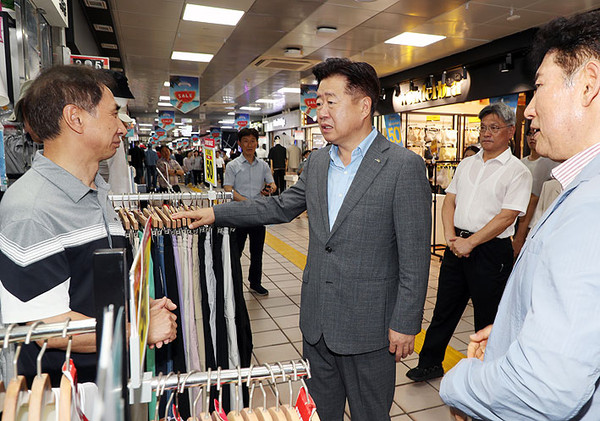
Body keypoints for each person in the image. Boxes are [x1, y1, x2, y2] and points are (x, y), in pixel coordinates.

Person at [171, 57, 431, 421]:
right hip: (316, 322)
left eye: (330, 101)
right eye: (317, 102)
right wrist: (217, 213)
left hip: (369, 327)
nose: (320, 111)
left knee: (370, 414)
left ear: (363, 105)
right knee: (320, 413)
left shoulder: (403, 167)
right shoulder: (319, 162)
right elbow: (278, 207)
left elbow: (415, 257)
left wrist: (405, 322)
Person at [440, 10, 600, 420]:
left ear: (589, 84)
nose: (528, 111)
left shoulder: (590, 207)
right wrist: (516, 334)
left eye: (540, 87)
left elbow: (544, 387)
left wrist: (459, 385)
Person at [0, 65, 177, 386]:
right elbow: (44, 327)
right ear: (76, 118)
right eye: (113, 114)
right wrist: (138, 327)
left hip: (107, 381)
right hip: (66, 393)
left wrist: (134, 305)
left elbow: (86, 288)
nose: (123, 127)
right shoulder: (31, 207)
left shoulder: (96, 192)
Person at [406, 102, 532, 383]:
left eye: (494, 128)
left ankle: (486, 372)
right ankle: (429, 363)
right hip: (457, 246)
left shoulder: (518, 171)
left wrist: (471, 243)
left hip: (490, 251)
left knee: (488, 315)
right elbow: (449, 201)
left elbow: (507, 216)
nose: (486, 133)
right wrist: (451, 236)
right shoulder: (466, 163)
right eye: (483, 127)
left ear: (510, 131)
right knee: (444, 308)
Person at [223, 127, 276, 296]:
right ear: (239, 144)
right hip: (238, 214)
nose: (249, 144)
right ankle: (233, 282)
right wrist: (246, 202)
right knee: (236, 251)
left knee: (257, 251)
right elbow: (228, 189)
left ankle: (255, 283)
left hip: (258, 215)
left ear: (257, 143)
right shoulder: (233, 165)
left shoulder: (263, 165)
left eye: (252, 141)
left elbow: (272, 184)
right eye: (245, 141)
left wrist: (270, 188)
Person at [511, 127, 558, 257]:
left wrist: (521, 234)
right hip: (518, 217)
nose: (532, 137)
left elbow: (534, 198)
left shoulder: (549, 162)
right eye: (529, 134)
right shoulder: (521, 163)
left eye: (535, 133)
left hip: (536, 219)